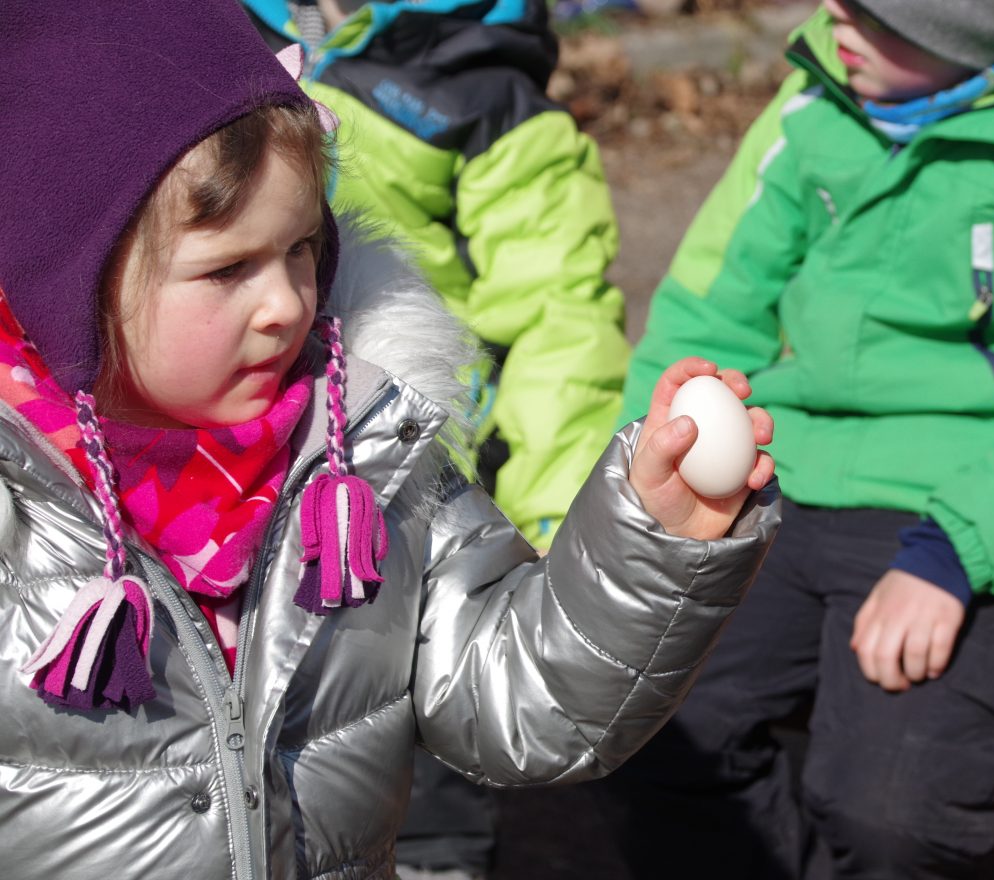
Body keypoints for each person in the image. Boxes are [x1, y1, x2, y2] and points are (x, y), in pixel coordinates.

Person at [0, 4, 779, 879]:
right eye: (227, 268)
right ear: (70, 278)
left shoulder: (360, 453)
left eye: (301, 248)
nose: (288, 303)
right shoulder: (18, 510)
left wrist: (654, 539)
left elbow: (520, 697)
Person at [595, 0, 994, 877]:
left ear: (970, 28)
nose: (833, 13)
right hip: (788, 479)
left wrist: (955, 550)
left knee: (894, 813)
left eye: (873, 9)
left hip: (974, 517)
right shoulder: (814, 106)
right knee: (647, 724)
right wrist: (640, 490)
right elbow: (706, 317)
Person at [236, 5, 630, 872]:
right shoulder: (295, 43)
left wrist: (560, 523)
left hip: (409, 464)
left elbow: (561, 329)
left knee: (408, 726)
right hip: (282, 448)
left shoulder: (495, 106)